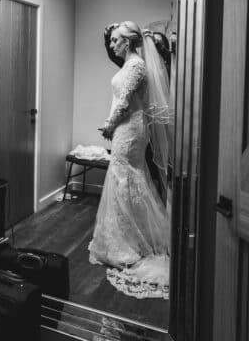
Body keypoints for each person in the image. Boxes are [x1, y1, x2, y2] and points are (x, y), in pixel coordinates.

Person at [89, 21, 172, 299]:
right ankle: (129, 236)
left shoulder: (136, 66)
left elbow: (124, 102)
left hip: (130, 128)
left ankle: (129, 242)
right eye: (112, 40)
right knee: (126, 176)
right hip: (128, 127)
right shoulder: (129, 65)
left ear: (128, 42)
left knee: (124, 176)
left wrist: (109, 125)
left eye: (115, 40)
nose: (111, 45)